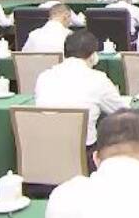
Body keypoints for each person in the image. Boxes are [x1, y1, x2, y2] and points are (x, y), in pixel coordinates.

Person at [35, 30, 127, 167]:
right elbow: (122, 111)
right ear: (93, 55)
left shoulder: (44, 76)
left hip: (43, 153)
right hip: (84, 155)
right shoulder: (98, 79)